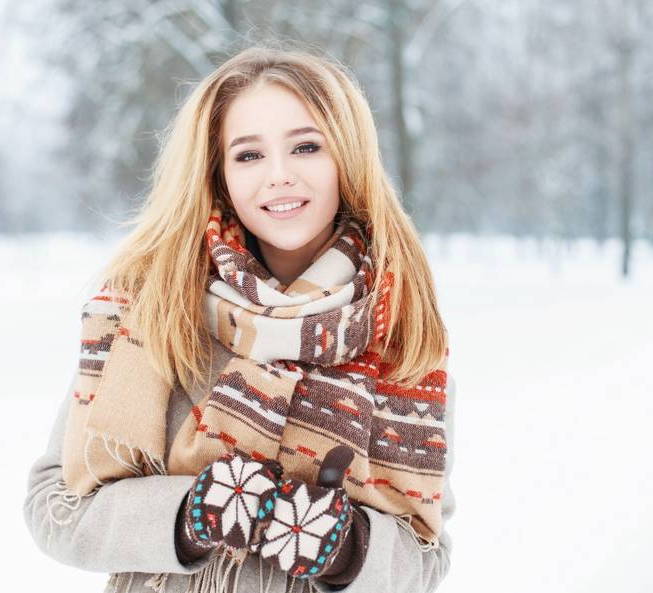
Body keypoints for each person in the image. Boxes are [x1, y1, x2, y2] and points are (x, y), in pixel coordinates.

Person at [22, 43, 456, 593]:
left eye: (305, 147)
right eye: (248, 155)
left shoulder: (397, 328)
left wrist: (349, 549)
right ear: (219, 173)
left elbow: (426, 554)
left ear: (347, 156)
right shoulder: (151, 307)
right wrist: (186, 517)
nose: (279, 176)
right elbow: (55, 507)